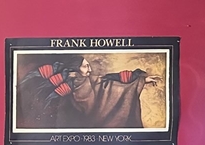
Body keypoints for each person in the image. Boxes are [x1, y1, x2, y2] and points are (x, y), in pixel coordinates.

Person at [17, 54, 161, 128]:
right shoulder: (64, 84)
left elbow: (110, 79)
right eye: (86, 66)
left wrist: (140, 79)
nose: (90, 69)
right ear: (76, 68)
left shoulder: (92, 80)